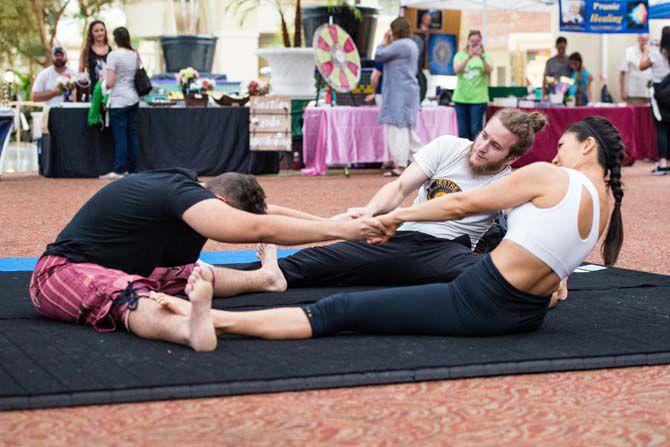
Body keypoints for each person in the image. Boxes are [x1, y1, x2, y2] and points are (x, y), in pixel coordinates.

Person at [153, 116, 624, 345]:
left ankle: (211, 320)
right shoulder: (606, 204)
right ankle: (218, 286)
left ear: (585, 146)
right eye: (483, 135)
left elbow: (460, 205)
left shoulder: (547, 175)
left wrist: (393, 219)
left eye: (563, 146)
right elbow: (557, 248)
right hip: (524, 313)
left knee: (339, 310)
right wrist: (372, 220)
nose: (558, 154)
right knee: (317, 270)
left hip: (473, 287)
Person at [185, 108, 547, 297]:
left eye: (495, 146)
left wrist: (552, 276)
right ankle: (194, 283)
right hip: (403, 238)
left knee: (500, 280)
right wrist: (373, 213)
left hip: (446, 250)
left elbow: (465, 211)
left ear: (511, 157)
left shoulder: (508, 182)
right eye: (484, 135)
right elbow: (401, 186)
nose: (482, 147)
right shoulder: (449, 146)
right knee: (312, 264)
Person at [29, 168, 386, 351]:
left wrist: (333, 222)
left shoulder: (199, 195)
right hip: (61, 272)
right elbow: (251, 226)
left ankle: (265, 279)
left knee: (190, 273)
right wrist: (346, 234)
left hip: (125, 264)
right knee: (129, 292)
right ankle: (187, 330)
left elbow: (268, 213)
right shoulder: (180, 195)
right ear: (222, 204)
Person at [375, 17, 422, 177]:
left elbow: (379, 55)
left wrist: (384, 40)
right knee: (407, 129)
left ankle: (401, 165)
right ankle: (420, 160)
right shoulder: (412, 44)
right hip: (407, 92)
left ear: (395, 30)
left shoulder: (400, 45)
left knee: (399, 127)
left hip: (399, 93)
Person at [100, 27, 140, 180]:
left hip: (118, 100)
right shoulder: (134, 54)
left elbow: (110, 82)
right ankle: (133, 169)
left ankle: (118, 170)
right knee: (132, 135)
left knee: (120, 136)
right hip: (133, 98)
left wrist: (101, 85)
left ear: (116, 38)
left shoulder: (113, 55)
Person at [453, 30, 493, 141]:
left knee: (476, 130)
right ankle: (462, 156)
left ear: (481, 42)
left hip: (478, 99)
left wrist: (481, 57)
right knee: (462, 131)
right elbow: (456, 70)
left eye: (477, 41)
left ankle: (475, 155)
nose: (474, 43)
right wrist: (468, 57)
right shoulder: (460, 55)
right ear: (468, 41)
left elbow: (489, 71)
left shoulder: (485, 56)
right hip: (461, 99)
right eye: (472, 41)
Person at [640, 27, 670, 175]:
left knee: (661, 128)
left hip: (659, 95)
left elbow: (642, 66)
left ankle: (663, 163)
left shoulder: (656, 54)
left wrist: (646, 50)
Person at [79, 20, 112, 90]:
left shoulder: (111, 50)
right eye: (96, 31)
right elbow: (80, 73)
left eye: (102, 30)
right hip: (93, 92)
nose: (100, 33)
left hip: (109, 92)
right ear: (91, 33)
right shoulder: (86, 50)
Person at [619, 34, 651, 105]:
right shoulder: (629, 51)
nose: (645, 42)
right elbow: (622, 72)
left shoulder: (652, 52)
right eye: (642, 40)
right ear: (638, 40)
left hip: (649, 93)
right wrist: (622, 91)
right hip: (634, 94)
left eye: (647, 40)